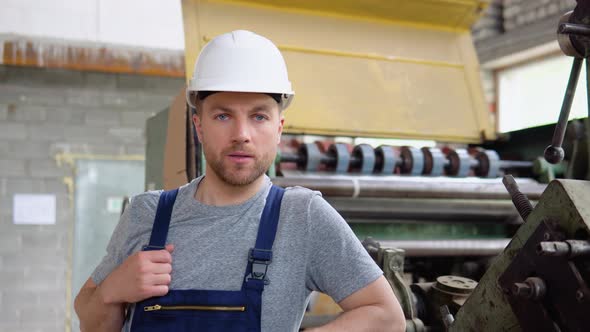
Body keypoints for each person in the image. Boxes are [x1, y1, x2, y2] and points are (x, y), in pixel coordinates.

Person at [74, 30, 405, 332]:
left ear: (279, 128)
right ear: (199, 126)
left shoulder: (302, 216)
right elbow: (90, 320)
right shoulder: (147, 213)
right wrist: (112, 290)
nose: (241, 135)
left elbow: (386, 316)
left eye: (259, 116)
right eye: (223, 115)